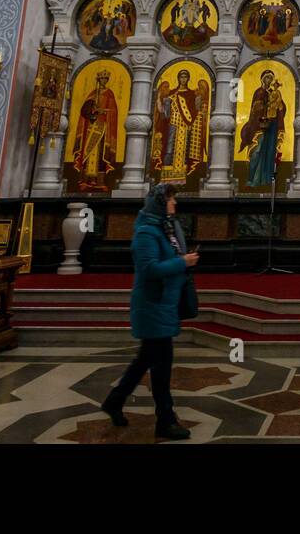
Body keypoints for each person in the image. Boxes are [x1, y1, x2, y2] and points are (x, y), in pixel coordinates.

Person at [101, 184, 199, 440]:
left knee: (145, 359)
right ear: (159, 203)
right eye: (171, 199)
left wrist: (183, 260)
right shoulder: (146, 232)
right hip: (153, 305)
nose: (175, 203)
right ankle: (165, 420)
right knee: (161, 366)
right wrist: (182, 262)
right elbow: (148, 269)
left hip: (166, 303)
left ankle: (115, 400)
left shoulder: (168, 228)